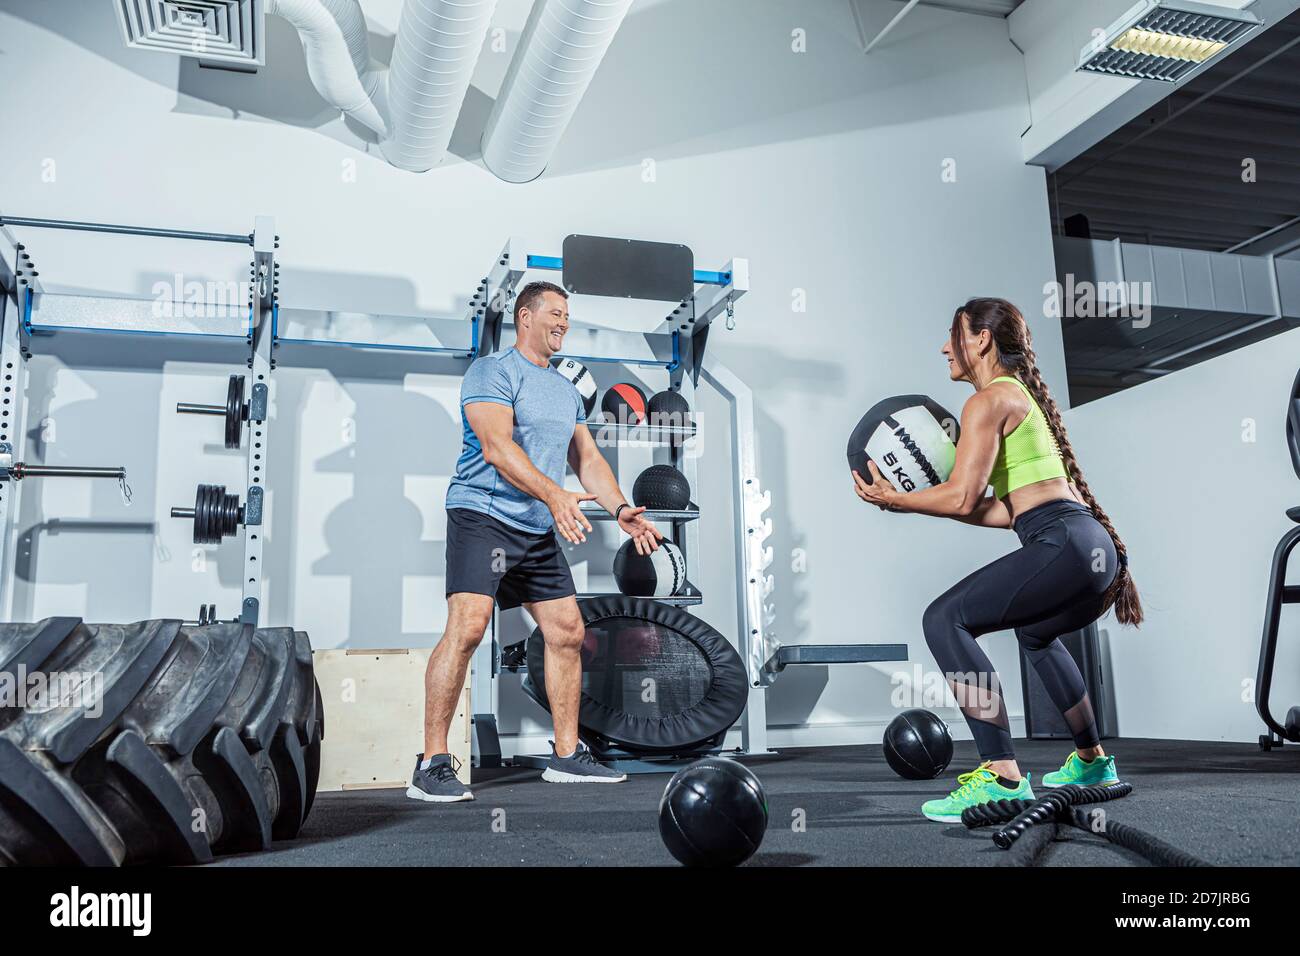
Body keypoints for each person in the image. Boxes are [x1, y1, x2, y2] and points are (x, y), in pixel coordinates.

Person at [851, 297, 1142, 823]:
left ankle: (1002, 774)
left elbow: (962, 497)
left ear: (981, 340)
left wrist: (894, 499)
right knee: (1035, 634)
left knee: (944, 619)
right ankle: (1093, 762)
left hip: (1065, 544)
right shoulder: (1019, 397)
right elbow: (999, 511)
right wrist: (920, 501)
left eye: (953, 335)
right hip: (1094, 552)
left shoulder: (987, 401)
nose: (946, 347)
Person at [408, 280, 664, 802]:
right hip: (482, 514)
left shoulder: (566, 390)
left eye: (567, 315)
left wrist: (621, 511)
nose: (564, 323)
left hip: (537, 524)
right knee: (469, 627)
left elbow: (587, 460)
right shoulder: (492, 372)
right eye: (555, 313)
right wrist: (554, 497)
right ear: (526, 316)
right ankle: (431, 762)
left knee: (567, 631)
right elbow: (497, 447)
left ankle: (567, 756)